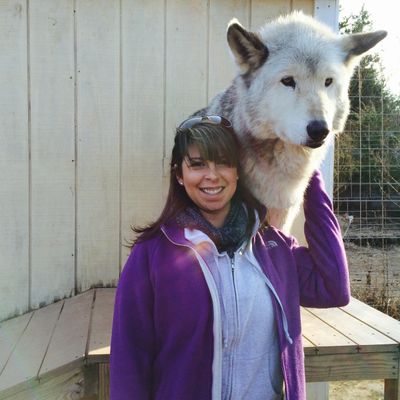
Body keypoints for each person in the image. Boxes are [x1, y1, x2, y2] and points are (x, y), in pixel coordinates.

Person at [110, 115, 350, 400]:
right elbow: (129, 358)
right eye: (197, 164)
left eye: (223, 162)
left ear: (239, 172)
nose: (212, 175)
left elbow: (334, 287)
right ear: (179, 175)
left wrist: (309, 173)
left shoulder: (274, 248)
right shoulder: (151, 253)